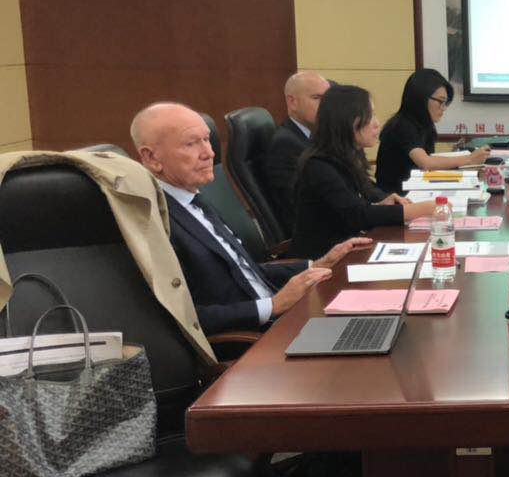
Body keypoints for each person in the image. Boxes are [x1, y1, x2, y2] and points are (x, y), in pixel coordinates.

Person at [130, 102, 366, 334]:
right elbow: (183, 318)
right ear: (151, 158)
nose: (209, 153)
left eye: (207, 140)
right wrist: (273, 306)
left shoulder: (194, 200)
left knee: (370, 321)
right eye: (191, 144)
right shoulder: (155, 224)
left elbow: (242, 273)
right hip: (252, 340)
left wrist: (317, 264)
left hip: (282, 319)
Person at [292, 85, 436, 259]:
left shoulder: (349, 154)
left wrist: (384, 200)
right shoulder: (318, 165)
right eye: (370, 116)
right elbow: (357, 215)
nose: (377, 123)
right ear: (347, 121)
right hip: (324, 260)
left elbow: (366, 189)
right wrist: (418, 210)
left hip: (351, 247)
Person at [375, 68, 489, 195]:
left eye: (446, 103)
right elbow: (426, 163)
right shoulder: (402, 126)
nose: (444, 108)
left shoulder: (425, 126)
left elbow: (429, 166)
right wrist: (469, 159)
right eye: (440, 101)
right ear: (421, 98)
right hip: (394, 199)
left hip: (415, 194)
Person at [264, 71, 330, 234]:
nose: (326, 106)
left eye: (328, 99)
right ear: (292, 102)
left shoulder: (316, 136)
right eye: (317, 98)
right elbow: (302, 207)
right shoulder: (286, 144)